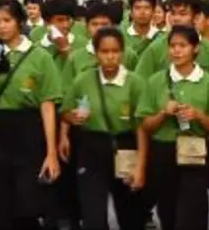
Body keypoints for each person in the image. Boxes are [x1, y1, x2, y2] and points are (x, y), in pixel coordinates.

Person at [0, 0, 62, 230]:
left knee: (28, 200)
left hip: (29, 131)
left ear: (19, 22)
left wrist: (51, 152)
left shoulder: (39, 56)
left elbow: (47, 105)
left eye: (7, 20)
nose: (2, 26)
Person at [60, 26, 148, 230]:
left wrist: (141, 167)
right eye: (104, 51)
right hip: (91, 148)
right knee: (93, 215)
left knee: (130, 215)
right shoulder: (83, 79)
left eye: (115, 51)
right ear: (96, 52)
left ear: (123, 52)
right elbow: (65, 111)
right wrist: (70, 120)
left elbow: (142, 129)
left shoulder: (135, 83)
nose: (110, 57)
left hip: (126, 146)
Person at [135, 25, 209, 230]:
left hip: (196, 151)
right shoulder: (156, 81)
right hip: (163, 150)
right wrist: (163, 113)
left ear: (195, 49)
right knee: (167, 209)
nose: (176, 50)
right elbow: (145, 124)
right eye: (172, 46)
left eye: (183, 45)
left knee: (193, 210)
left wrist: (198, 115)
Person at [135, 0, 209, 79]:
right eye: (173, 13)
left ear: (196, 17)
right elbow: (140, 83)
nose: (176, 18)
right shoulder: (156, 49)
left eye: (182, 14)